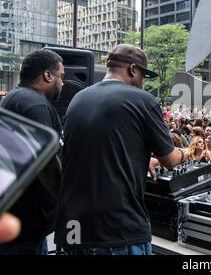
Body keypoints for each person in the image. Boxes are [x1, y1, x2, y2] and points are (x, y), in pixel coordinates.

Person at [54, 44, 184, 255]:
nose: (142, 82)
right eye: (143, 75)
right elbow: (170, 159)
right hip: (117, 230)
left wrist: (144, 160)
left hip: (73, 227)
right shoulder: (142, 100)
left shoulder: (78, 99)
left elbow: (99, 149)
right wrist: (184, 153)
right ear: (133, 69)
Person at [0, 49, 64, 255]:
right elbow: (46, 164)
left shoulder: (15, 97)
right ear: (48, 75)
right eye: (61, 76)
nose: (62, 83)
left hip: (19, 222)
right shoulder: (35, 105)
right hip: (25, 227)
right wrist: (66, 197)